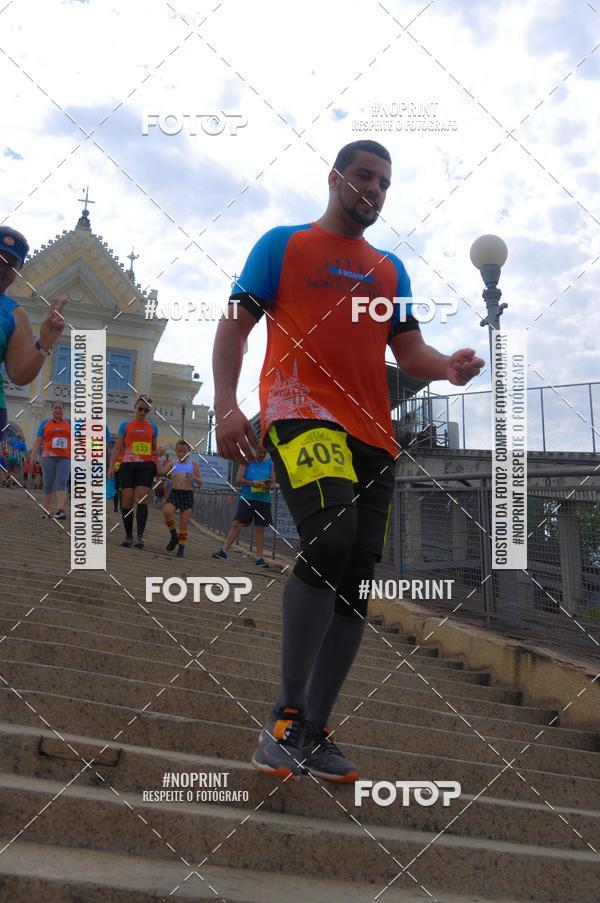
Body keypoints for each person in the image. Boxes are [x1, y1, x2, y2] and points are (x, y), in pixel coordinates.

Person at [212, 140, 484, 784]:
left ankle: (313, 729)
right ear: (335, 179)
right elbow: (233, 324)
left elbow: (408, 348)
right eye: (364, 176)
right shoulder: (283, 245)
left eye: (385, 183)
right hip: (300, 409)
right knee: (328, 539)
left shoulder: (389, 271)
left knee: (356, 578)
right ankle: (283, 718)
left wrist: (445, 367)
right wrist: (227, 403)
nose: (374, 190)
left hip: (373, 434)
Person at [0, 226, 67, 440]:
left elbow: (19, 374)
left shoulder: (15, 314)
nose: (2, 268)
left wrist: (44, 343)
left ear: (19, 269)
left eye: (10, 264)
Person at [108, 395, 159, 548]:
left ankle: (140, 536)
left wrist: (158, 457)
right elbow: (117, 447)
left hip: (145, 465)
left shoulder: (153, 428)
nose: (143, 413)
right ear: (135, 407)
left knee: (141, 498)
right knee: (127, 499)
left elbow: (153, 449)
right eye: (140, 409)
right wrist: (111, 466)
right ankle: (128, 535)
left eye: (146, 411)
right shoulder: (125, 425)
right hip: (127, 465)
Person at [212, 445, 275, 567]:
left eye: (264, 453)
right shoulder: (246, 461)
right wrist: (253, 483)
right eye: (259, 453)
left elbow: (273, 482)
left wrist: (266, 484)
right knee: (237, 524)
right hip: (247, 498)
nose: (262, 455)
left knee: (260, 528)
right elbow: (238, 479)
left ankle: (259, 557)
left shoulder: (270, 464)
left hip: (264, 500)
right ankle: (224, 550)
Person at [159, 439, 202, 557]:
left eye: (184, 451)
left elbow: (200, 482)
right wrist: (157, 457)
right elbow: (161, 472)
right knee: (167, 511)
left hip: (188, 495)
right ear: (176, 452)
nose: (181, 454)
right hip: (175, 493)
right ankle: (174, 536)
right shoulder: (173, 464)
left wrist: (194, 477)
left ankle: (181, 548)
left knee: (184, 523)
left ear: (189, 452)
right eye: (179, 451)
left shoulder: (193, 464)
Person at [30, 401, 71, 518]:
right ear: (52, 410)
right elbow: (38, 441)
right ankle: (47, 510)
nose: (57, 410)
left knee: (62, 481)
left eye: (60, 408)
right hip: (48, 457)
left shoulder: (70, 423)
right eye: (55, 408)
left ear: (63, 410)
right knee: (48, 483)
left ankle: (60, 510)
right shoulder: (45, 423)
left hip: (65, 457)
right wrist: (33, 456)